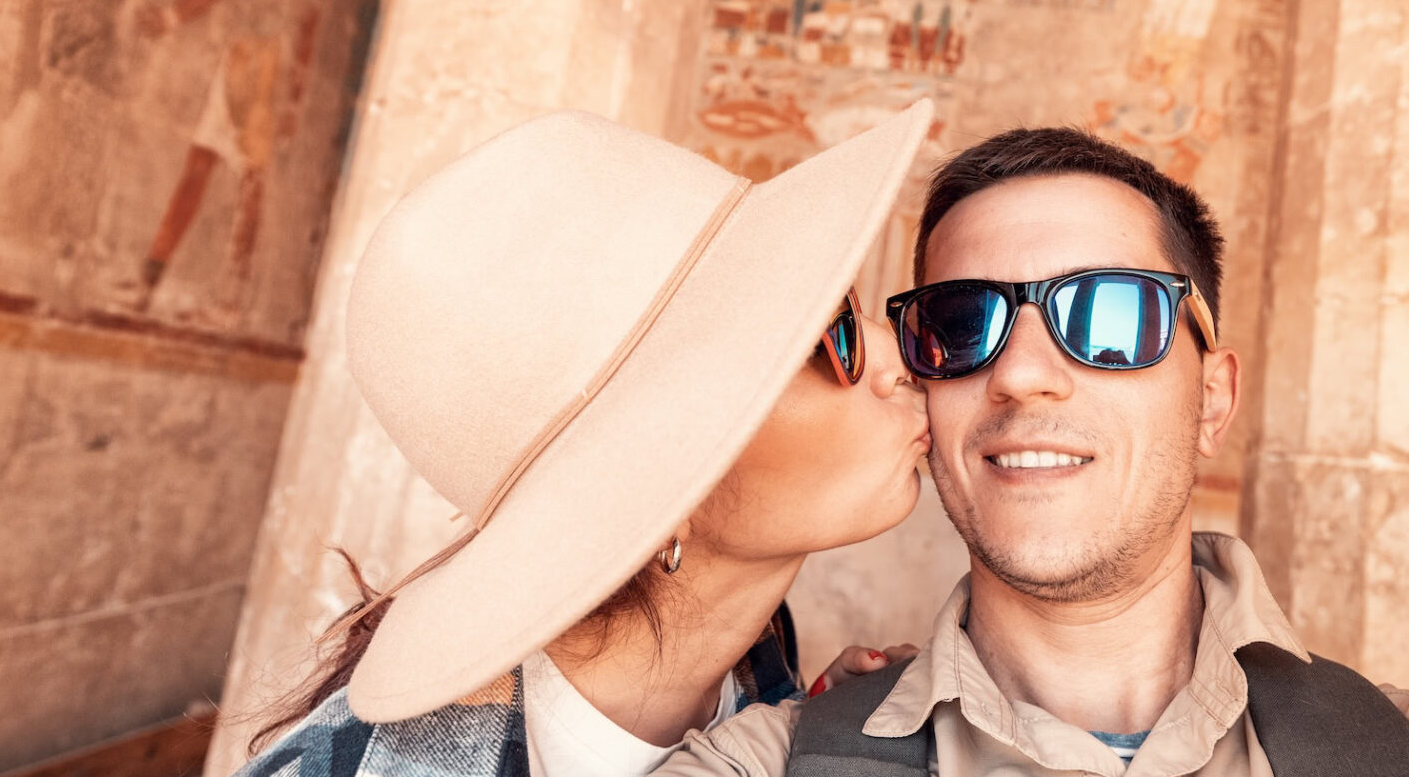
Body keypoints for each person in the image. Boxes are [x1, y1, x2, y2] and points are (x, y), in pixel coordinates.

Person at [655, 127, 1409, 776]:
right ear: (928, 386)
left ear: (1212, 398)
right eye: (962, 322)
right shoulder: (769, 761)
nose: (1023, 376)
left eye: (1107, 316)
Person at [233, 100, 936, 777]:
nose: (893, 355)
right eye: (827, 336)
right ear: (664, 490)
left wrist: (802, 737)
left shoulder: (754, 664)